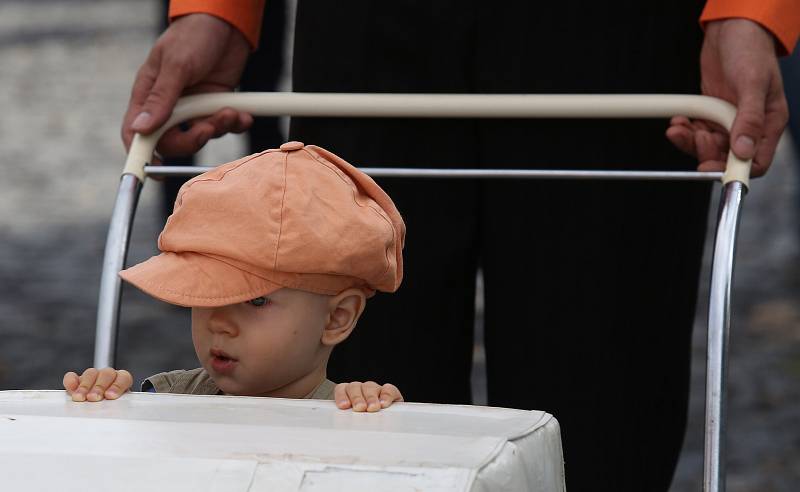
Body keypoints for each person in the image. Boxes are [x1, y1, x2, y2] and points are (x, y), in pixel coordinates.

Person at [119, 1, 800, 490]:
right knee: (344, 418)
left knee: (597, 410)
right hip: (368, 25)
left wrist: (750, 10)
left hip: (619, 27)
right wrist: (217, 9)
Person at [64, 142, 406, 413]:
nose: (219, 323)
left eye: (255, 300)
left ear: (337, 317)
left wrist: (375, 415)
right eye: (205, 293)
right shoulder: (173, 398)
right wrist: (108, 405)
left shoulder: (345, 410)